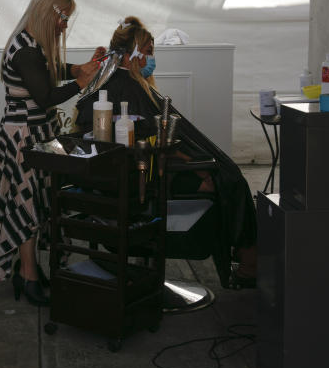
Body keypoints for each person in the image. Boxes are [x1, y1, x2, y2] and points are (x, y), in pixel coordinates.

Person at [73, 17, 257, 287]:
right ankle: (249, 262)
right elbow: (149, 143)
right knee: (229, 179)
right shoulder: (128, 89)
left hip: (142, 173)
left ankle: (245, 260)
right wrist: (197, 165)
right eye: (147, 51)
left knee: (227, 174)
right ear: (130, 55)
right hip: (148, 178)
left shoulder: (117, 85)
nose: (151, 58)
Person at [0, 0, 102, 306]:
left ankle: (27, 270)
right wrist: (80, 82)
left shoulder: (31, 44)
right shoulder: (27, 50)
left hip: (35, 135)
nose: (65, 26)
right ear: (51, 12)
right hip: (25, 138)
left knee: (34, 203)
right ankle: (29, 274)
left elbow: (47, 73)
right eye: (64, 19)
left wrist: (79, 69)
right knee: (26, 206)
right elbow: (45, 96)